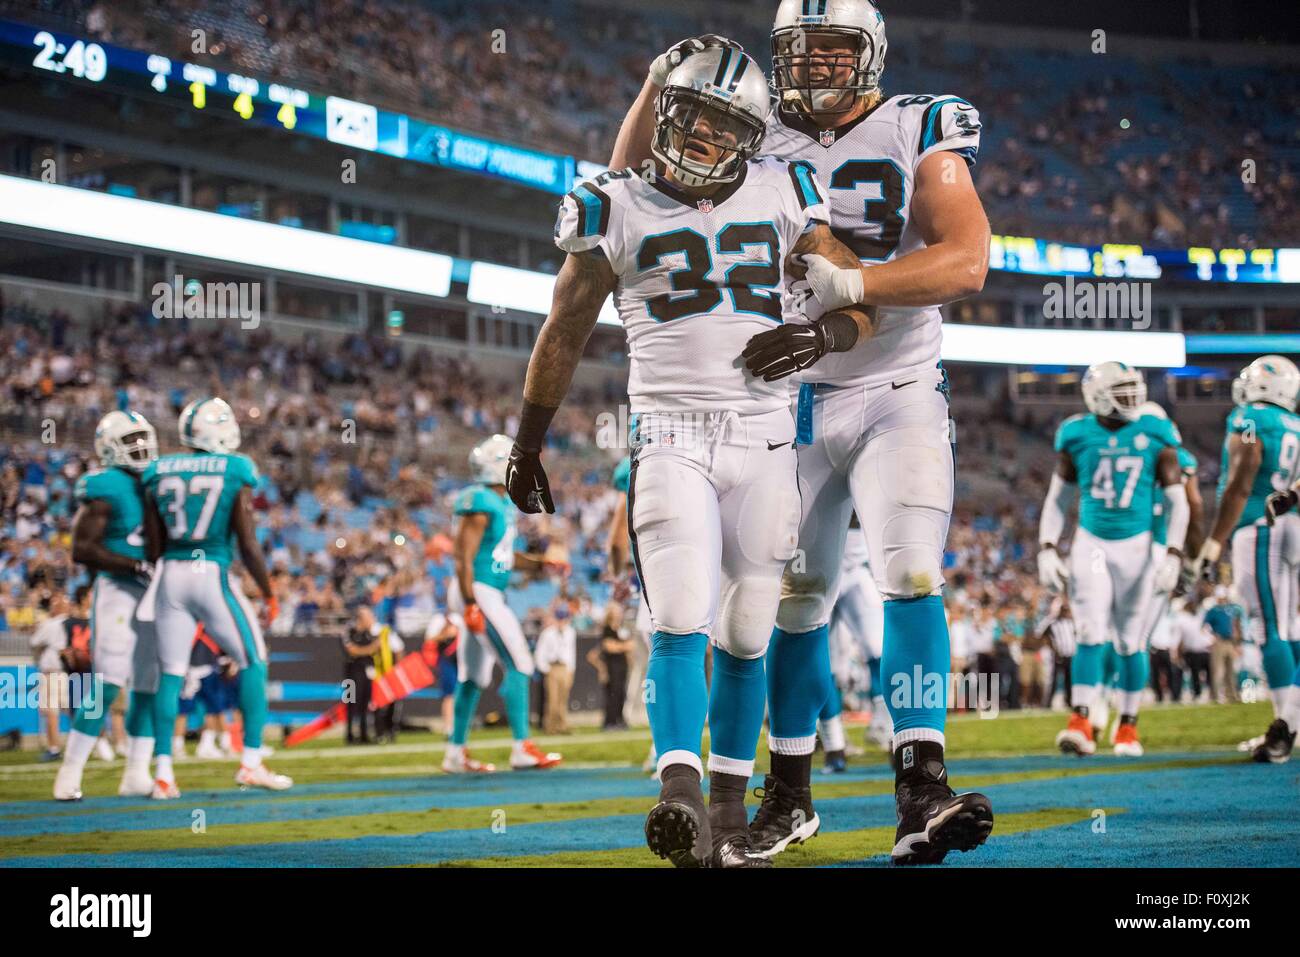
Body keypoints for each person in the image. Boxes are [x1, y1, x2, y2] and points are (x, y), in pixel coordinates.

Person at [608, 1, 995, 864]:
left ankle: (920, 781)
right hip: (778, 401)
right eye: (800, 50)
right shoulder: (752, 125)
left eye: (834, 49)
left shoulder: (919, 123)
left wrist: (851, 293)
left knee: (911, 569)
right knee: (794, 601)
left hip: (894, 384)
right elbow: (628, 191)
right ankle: (788, 795)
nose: (815, 67)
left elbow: (967, 259)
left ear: (873, 53)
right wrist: (653, 84)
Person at [506, 44, 874, 868]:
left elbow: (860, 300)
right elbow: (562, 329)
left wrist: (819, 333)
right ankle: (677, 790)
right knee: (679, 616)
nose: (705, 134)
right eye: (693, 113)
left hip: (767, 436)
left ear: (753, 134)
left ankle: (727, 808)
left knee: (748, 630)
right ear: (666, 110)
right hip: (670, 437)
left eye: (724, 123)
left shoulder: (786, 189)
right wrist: (528, 439)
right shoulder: (616, 202)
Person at [139, 398, 291, 796]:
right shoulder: (234, 468)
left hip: (169, 576)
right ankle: (251, 763)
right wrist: (268, 590)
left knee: (170, 675)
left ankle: (163, 775)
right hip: (210, 575)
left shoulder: (158, 471)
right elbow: (247, 542)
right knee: (253, 662)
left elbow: (153, 546)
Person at [1039, 362, 1189, 757]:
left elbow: (1178, 501)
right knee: (1089, 633)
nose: (1133, 398)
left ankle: (1127, 726)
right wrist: (1047, 546)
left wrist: (1173, 552)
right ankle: (1082, 720)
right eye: (1122, 390)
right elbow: (1058, 499)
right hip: (1092, 543)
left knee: (1129, 641)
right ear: (1098, 395)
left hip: (1139, 547)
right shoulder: (1076, 434)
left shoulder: (1155, 430)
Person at [1195, 357, 1300, 763]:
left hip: (1259, 526)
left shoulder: (1251, 417)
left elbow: (1241, 480)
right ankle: (1285, 725)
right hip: (1291, 523)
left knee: (1267, 625)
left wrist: (1214, 541)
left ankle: (1283, 731)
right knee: (1287, 627)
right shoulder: (1294, 425)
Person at [54, 410, 160, 801]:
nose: (141, 447)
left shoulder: (155, 481)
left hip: (152, 592)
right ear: (110, 448)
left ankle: (136, 771)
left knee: (149, 684)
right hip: (117, 588)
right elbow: (82, 550)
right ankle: (70, 772)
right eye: (131, 441)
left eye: (142, 438)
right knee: (109, 682)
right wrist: (135, 564)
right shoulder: (106, 486)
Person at [443, 435, 563, 774]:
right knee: (520, 662)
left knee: (473, 675)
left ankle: (455, 752)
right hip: (479, 590)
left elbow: (505, 559)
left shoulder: (498, 503)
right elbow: (462, 557)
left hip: (481, 589)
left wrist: (542, 564)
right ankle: (521, 747)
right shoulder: (479, 499)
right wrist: (469, 602)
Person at [535, 606, 576, 734]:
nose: (562, 621)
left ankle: (562, 725)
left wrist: (571, 670)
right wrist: (545, 669)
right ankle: (550, 727)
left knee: (563, 699)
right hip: (552, 667)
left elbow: (571, 653)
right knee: (552, 699)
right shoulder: (547, 633)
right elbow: (539, 653)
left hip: (564, 667)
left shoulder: (570, 632)